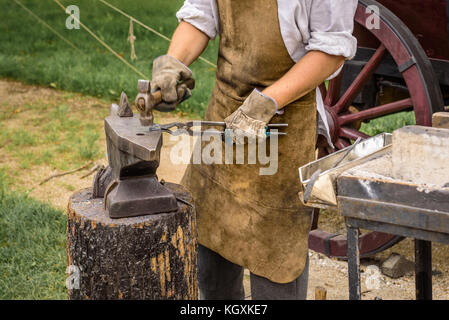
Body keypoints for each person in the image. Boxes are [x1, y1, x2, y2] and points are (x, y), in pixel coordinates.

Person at [151, 0, 358, 300]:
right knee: (209, 248)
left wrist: (267, 101)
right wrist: (173, 63)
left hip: (282, 126)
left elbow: (330, 50)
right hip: (224, 114)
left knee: (275, 263)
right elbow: (201, 14)